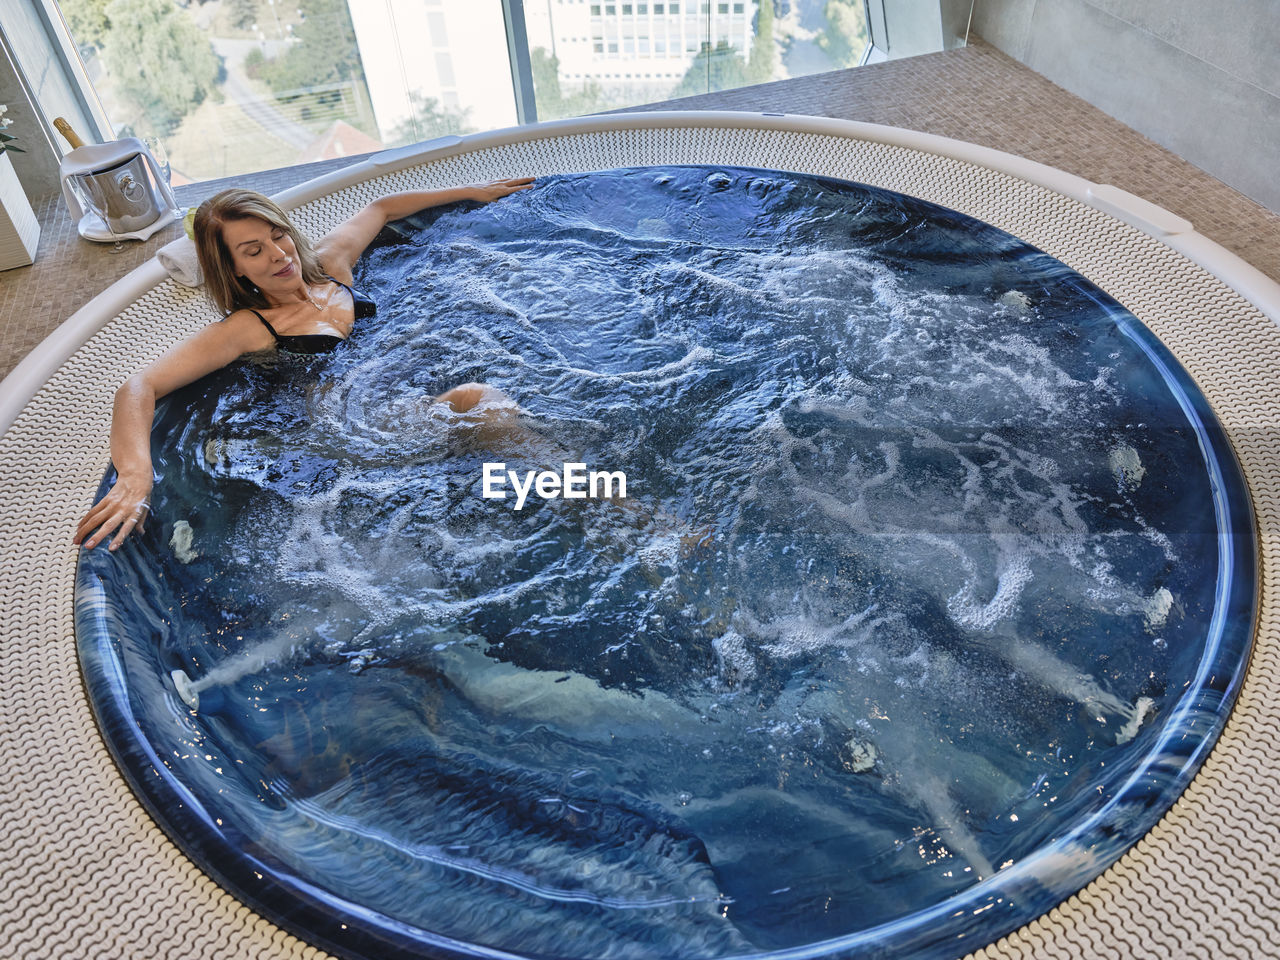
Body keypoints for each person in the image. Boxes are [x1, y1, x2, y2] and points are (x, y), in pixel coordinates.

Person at [74, 179, 534, 552]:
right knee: (476, 399)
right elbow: (138, 385)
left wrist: (473, 191)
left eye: (278, 235)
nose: (278, 254)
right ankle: (585, 495)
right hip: (356, 427)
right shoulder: (250, 328)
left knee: (494, 408)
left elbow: (381, 208)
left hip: (394, 391)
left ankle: (563, 491)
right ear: (235, 269)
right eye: (253, 251)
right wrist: (136, 474)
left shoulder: (332, 266)